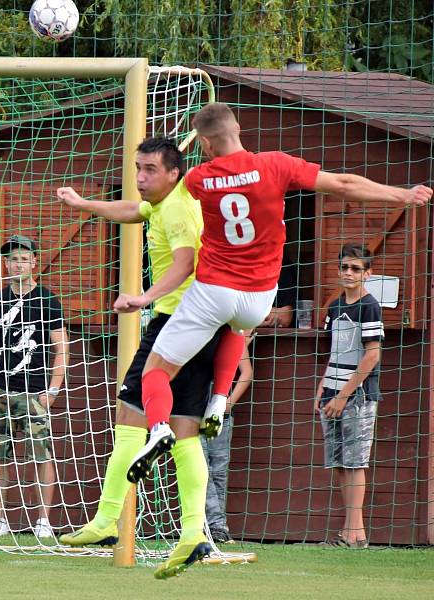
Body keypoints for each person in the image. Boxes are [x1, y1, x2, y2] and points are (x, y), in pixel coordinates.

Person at [127, 102, 430, 577]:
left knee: (155, 372)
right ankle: (219, 400)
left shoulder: (199, 179)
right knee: (236, 330)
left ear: (205, 143)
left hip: (212, 290)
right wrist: (402, 194)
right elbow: (346, 184)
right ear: (239, 130)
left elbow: (147, 204)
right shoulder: (276, 165)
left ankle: (161, 427)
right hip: (256, 299)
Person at [55, 137, 220, 577]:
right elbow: (133, 211)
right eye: (138, 169)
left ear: (174, 172)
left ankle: (107, 518)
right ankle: (193, 534)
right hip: (207, 326)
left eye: (149, 170)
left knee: (130, 415)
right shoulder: (163, 202)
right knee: (186, 431)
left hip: (175, 322)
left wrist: (142, 298)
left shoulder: (182, 207)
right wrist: (84, 203)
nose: (141, 178)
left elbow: (185, 263)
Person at [0, 235, 69, 539]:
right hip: (0, 388)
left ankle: (43, 521)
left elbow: (62, 347)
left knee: (42, 454)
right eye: (13, 258)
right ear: (5, 264)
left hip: (35, 390)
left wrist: (53, 389)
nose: (18, 263)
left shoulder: (48, 300)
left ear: (34, 263)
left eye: (24, 258)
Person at [315, 244, 383, 548]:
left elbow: (372, 356)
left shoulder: (370, 306)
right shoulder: (334, 306)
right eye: (344, 267)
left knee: (356, 462)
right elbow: (333, 351)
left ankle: (357, 534)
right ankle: (347, 532)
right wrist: (323, 388)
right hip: (331, 392)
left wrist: (343, 395)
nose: (348, 273)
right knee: (339, 462)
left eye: (355, 268)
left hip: (357, 396)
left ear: (367, 273)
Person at [202, 333, 253, 544]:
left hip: (220, 413)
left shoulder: (232, 333)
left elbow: (247, 373)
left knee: (218, 471)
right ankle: (215, 525)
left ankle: (216, 528)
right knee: (201, 468)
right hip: (193, 410)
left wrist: (227, 404)